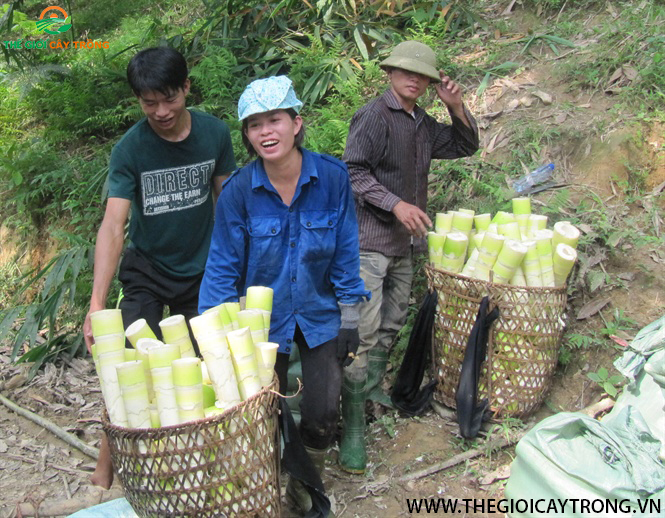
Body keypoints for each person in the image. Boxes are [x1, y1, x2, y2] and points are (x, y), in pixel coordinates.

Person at [198, 76, 368, 515]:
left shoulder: (331, 178)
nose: (265, 132)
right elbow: (222, 265)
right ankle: (286, 476)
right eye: (254, 125)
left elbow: (347, 248)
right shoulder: (238, 191)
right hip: (260, 322)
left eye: (274, 120)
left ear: (297, 123)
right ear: (247, 135)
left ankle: (309, 459)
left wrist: (350, 317)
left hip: (319, 311)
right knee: (260, 409)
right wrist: (212, 335)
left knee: (321, 413)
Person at [82, 46, 236, 489]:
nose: (162, 111)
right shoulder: (130, 149)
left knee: (203, 365)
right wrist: (96, 302)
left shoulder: (214, 135)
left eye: (170, 98)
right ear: (139, 100)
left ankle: (200, 458)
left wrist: (233, 270)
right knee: (126, 362)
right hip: (147, 269)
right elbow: (114, 224)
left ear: (187, 87)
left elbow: (227, 203)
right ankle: (106, 463)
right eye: (150, 103)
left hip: (201, 270)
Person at [340, 40, 480, 474]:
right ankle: (352, 429)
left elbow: (465, 146)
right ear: (390, 73)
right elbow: (353, 171)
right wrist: (395, 203)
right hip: (370, 240)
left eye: (423, 75)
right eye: (406, 71)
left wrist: (457, 108)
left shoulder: (422, 122)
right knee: (361, 332)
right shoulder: (374, 116)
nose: (414, 79)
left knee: (391, 323)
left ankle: (372, 393)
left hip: (405, 243)